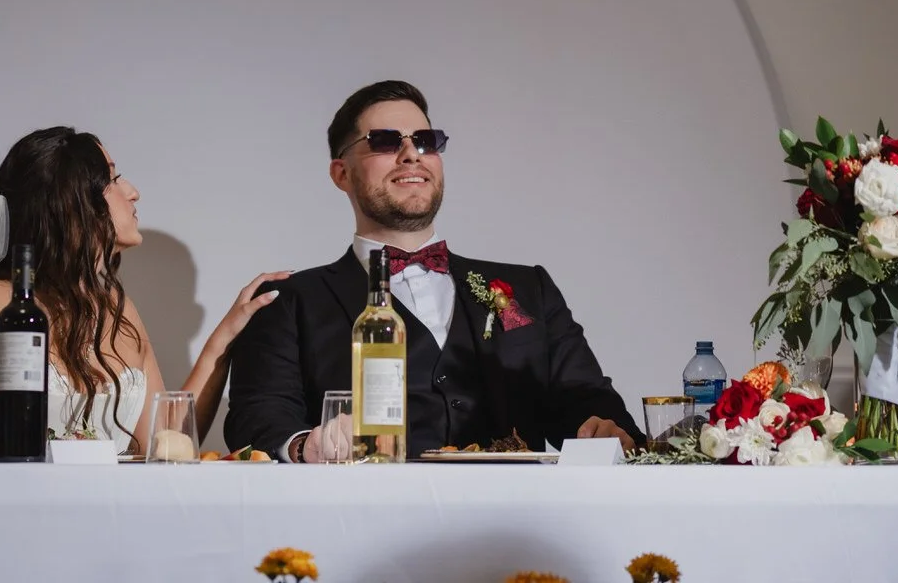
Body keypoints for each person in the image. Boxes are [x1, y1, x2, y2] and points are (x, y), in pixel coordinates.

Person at [224, 81, 641, 461]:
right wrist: (304, 445)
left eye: (425, 141)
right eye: (385, 141)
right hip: (366, 522)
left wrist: (604, 427)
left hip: (512, 525)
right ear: (341, 173)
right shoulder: (289, 300)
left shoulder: (529, 288)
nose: (411, 154)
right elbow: (257, 418)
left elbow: (588, 401)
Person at [0, 126, 286, 454]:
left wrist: (225, 338)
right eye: (114, 178)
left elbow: (167, 441)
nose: (133, 192)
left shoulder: (118, 309)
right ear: (71, 201)